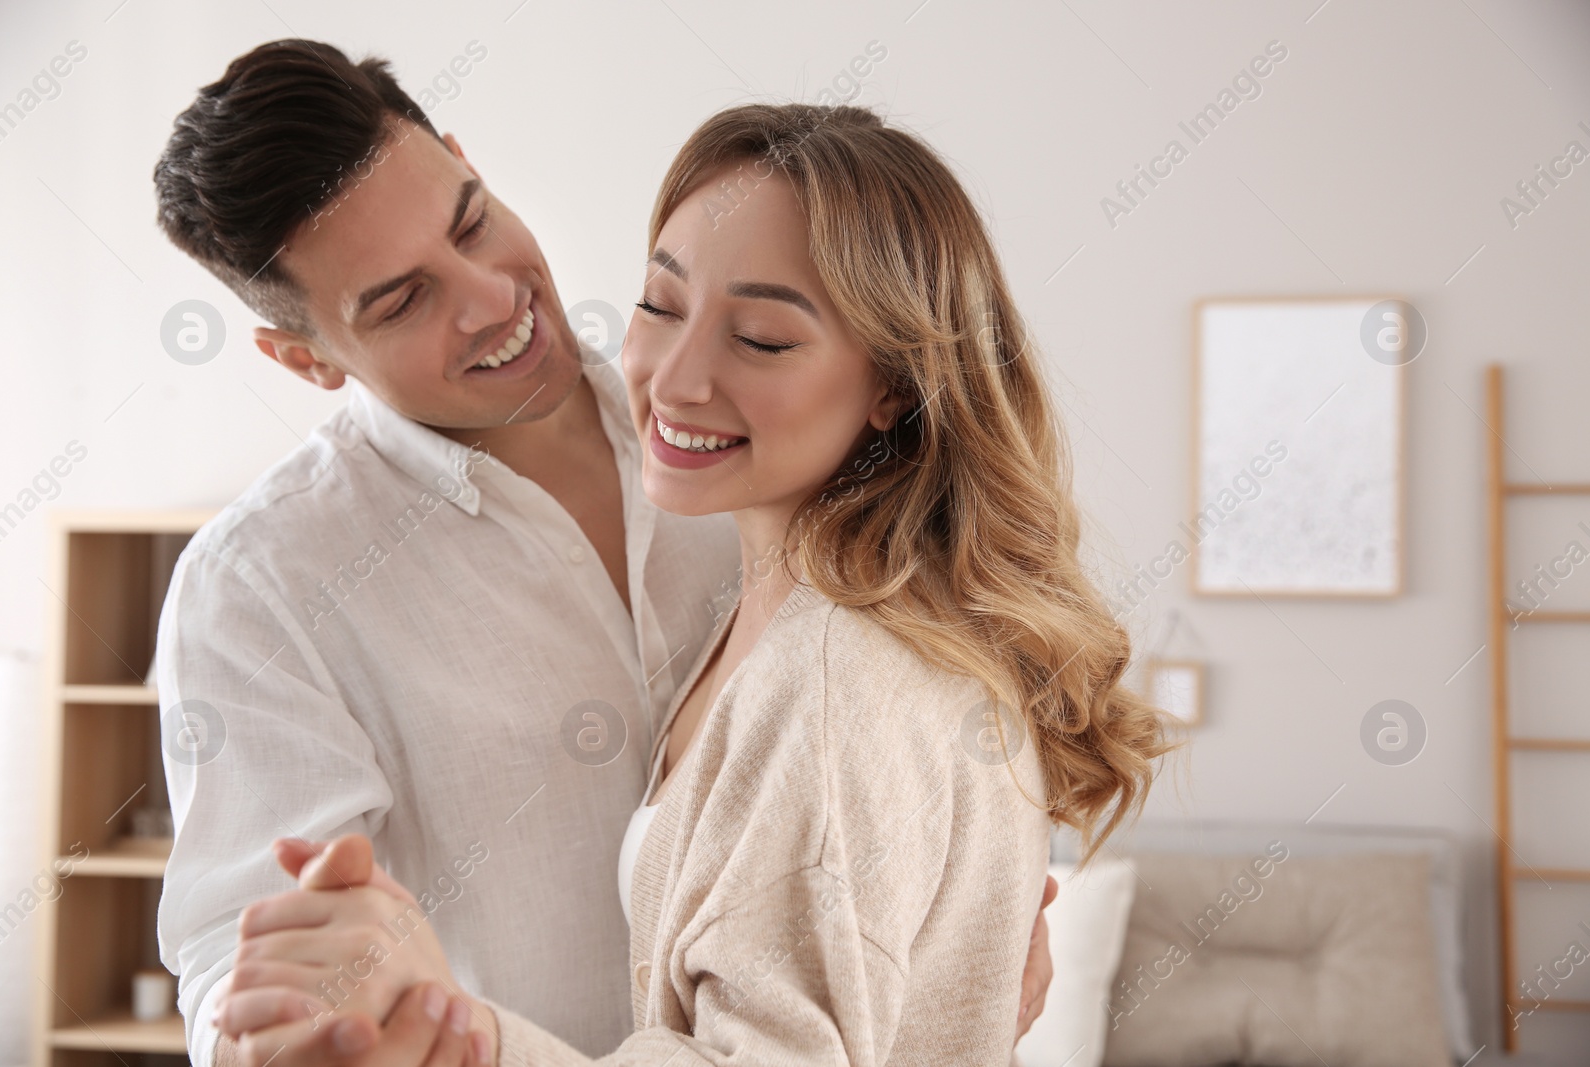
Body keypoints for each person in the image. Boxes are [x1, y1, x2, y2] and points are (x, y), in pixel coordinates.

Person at [152, 42, 1058, 1067]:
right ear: (305, 357)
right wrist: (323, 1019)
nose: (490, 298)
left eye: (473, 221)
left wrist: (943, 962)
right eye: (402, 299)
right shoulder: (264, 584)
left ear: (467, 159)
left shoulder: (739, 447)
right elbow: (239, 959)